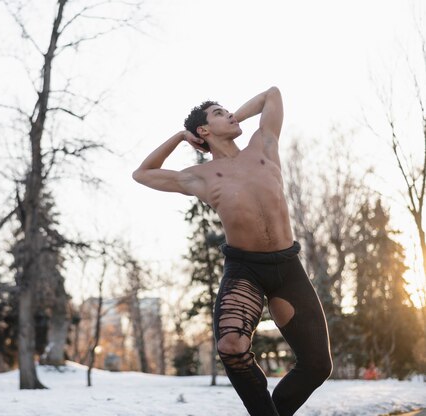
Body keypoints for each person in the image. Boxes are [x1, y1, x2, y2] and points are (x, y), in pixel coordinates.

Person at [132, 87, 333, 416]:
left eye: (228, 110)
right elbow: (142, 173)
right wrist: (180, 137)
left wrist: (234, 117)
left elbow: (272, 95)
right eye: (217, 113)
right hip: (245, 270)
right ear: (204, 131)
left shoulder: (263, 145)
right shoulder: (200, 177)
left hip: (287, 266)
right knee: (231, 346)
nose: (228, 113)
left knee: (317, 365)